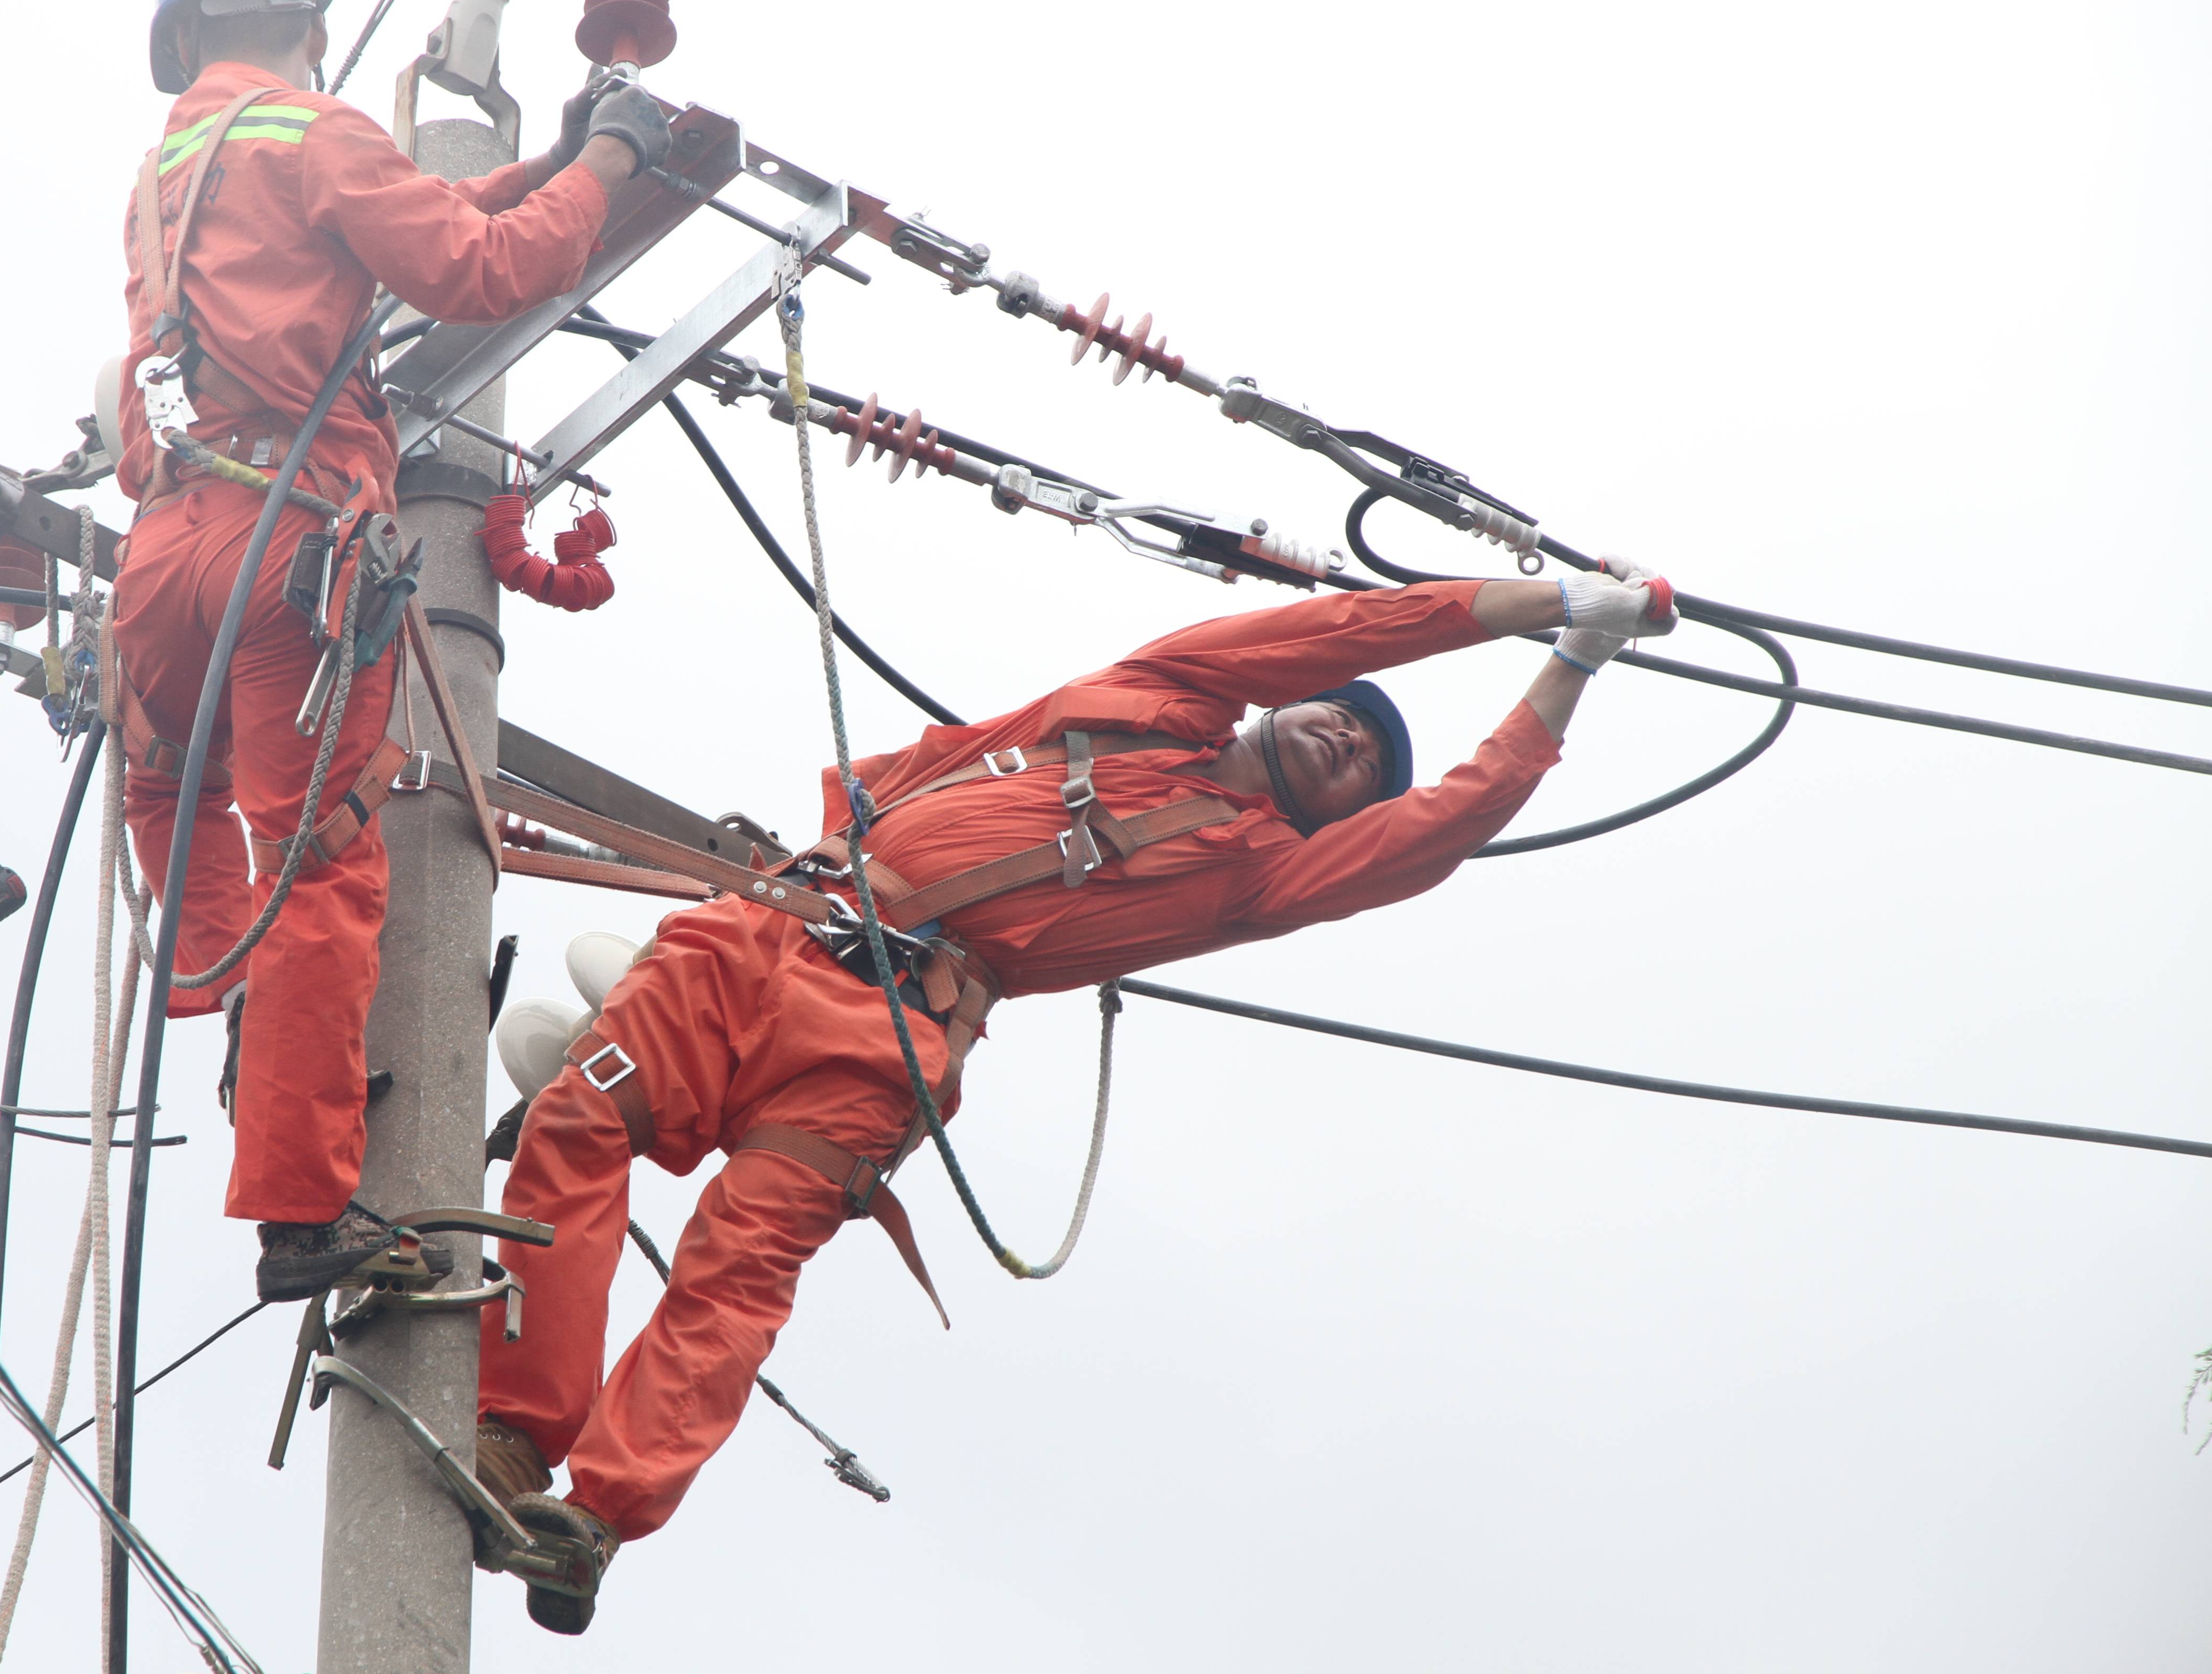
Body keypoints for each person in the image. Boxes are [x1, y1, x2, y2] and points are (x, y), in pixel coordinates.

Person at [473, 556, 1679, 1632]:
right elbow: (1347, 628)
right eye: (1347, 723)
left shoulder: (1266, 873)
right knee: (581, 1124)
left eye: (1369, 768)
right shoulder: (1151, 698)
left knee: (740, 1272)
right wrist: (1547, 598)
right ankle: (515, 1438)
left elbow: (1447, 822)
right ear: (1287, 702)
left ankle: (600, 1517)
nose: (1353, 745)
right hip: (773, 926)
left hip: (885, 1040)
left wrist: (1573, 662)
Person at [106, 0, 669, 1301]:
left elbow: (188, 360)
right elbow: (480, 270)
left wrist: (559, 165)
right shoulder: (318, 131)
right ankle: (301, 1213)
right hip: (291, 545)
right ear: (307, 18)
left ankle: (217, 990)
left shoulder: (167, 174)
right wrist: (613, 160)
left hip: (167, 541)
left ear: (187, 41)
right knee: (322, 864)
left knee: (175, 795)